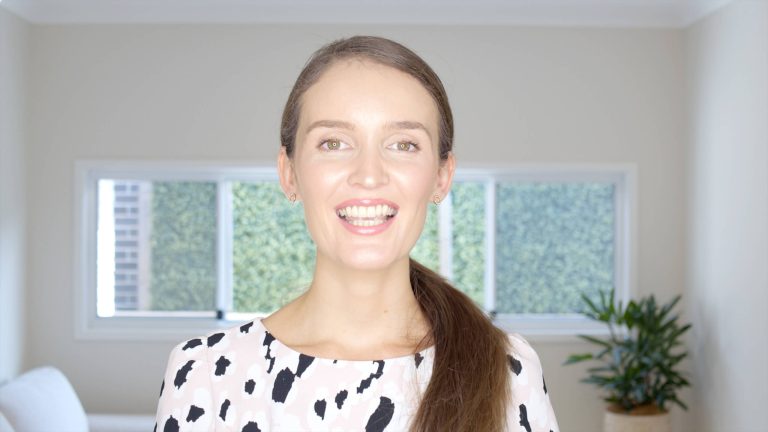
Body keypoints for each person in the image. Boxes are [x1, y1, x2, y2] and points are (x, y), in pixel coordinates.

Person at [155, 35, 559, 432]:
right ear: (289, 173)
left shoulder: (508, 369)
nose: (369, 175)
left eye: (403, 145)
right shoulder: (203, 373)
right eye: (334, 143)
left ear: (441, 176)